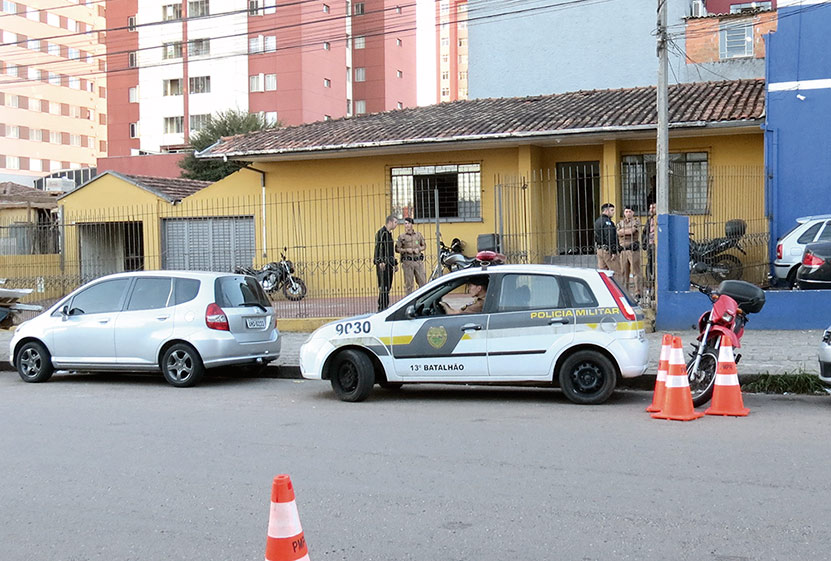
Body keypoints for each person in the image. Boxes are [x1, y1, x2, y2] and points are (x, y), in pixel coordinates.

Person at [395, 217, 427, 295]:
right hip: (407, 262)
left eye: (408, 223)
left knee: (422, 282)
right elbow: (397, 249)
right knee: (409, 284)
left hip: (418, 261)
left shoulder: (418, 235)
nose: (407, 225)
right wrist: (406, 250)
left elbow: (424, 246)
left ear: (412, 224)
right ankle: (409, 301)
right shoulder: (402, 237)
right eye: (405, 223)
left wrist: (419, 249)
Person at [617, 205, 643, 301]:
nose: (628, 213)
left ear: (633, 213)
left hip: (633, 249)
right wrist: (626, 231)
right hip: (623, 250)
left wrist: (622, 232)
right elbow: (617, 233)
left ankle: (638, 292)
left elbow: (632, 231)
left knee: (636, 271)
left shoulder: (636, 221)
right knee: (624, 272)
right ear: (624, 213)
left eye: (630, 211)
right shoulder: (620, 222)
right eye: (626, 211)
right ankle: (624, 291)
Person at [374, 215, 398, 311]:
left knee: (387, 286)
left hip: (389, 264)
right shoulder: (382, 233)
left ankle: (385, 305)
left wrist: (394, 263)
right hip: (383, 264)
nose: (396, 225)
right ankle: (382, 307)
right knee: (383, 286)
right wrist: (380, 261)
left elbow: (390, 251)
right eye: (395, 222)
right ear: (390, 222)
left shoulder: (389, 234)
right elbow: (378, 248)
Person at [594, 203, 620, 276]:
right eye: (611, 210)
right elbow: (609, 236)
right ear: (606, 211)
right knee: (616, 272)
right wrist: (613, 251)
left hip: (600, 249)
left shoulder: (597, 221)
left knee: (603, 273)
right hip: (607, 250)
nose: (613, 212)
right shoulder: (607, 222)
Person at [645, 203, 657, 293]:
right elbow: (645, 232)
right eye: (650, 208)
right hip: (650, 245)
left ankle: (655, 289)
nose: (651, 209)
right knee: (649, 265)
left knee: (655, 266)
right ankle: (650, 287)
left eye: (653, 207)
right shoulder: (649, 220)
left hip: (656, 245)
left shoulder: (658, 219)